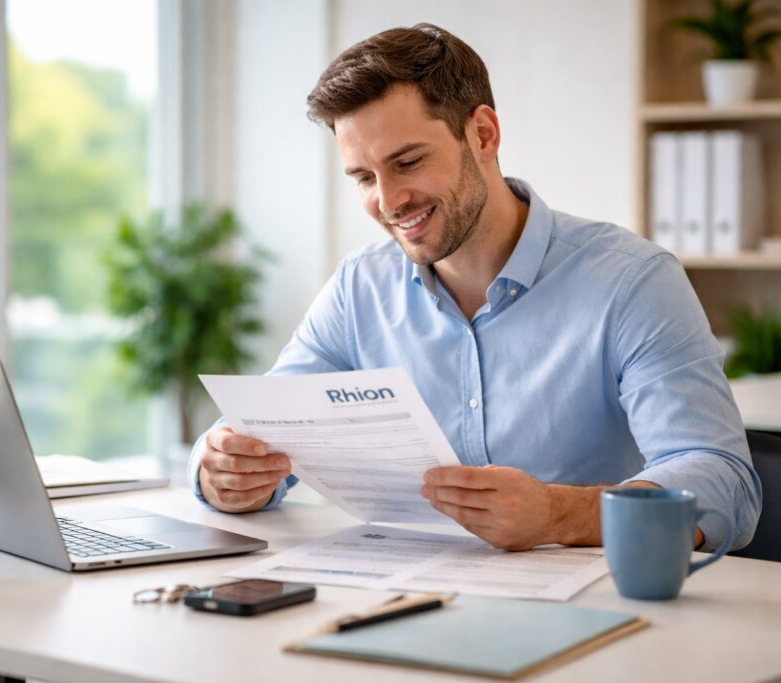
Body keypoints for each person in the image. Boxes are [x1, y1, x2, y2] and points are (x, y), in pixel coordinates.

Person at [188, 23, 761, 551]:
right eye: (364, 177)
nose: (387, 203)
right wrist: (222, 471)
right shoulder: (358, 289)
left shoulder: (632, 281)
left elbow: (720, 477)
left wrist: (561, 514)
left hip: (593, 619)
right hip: (397, 602)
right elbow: (264, 424)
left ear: (482, 134)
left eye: (408, 162)